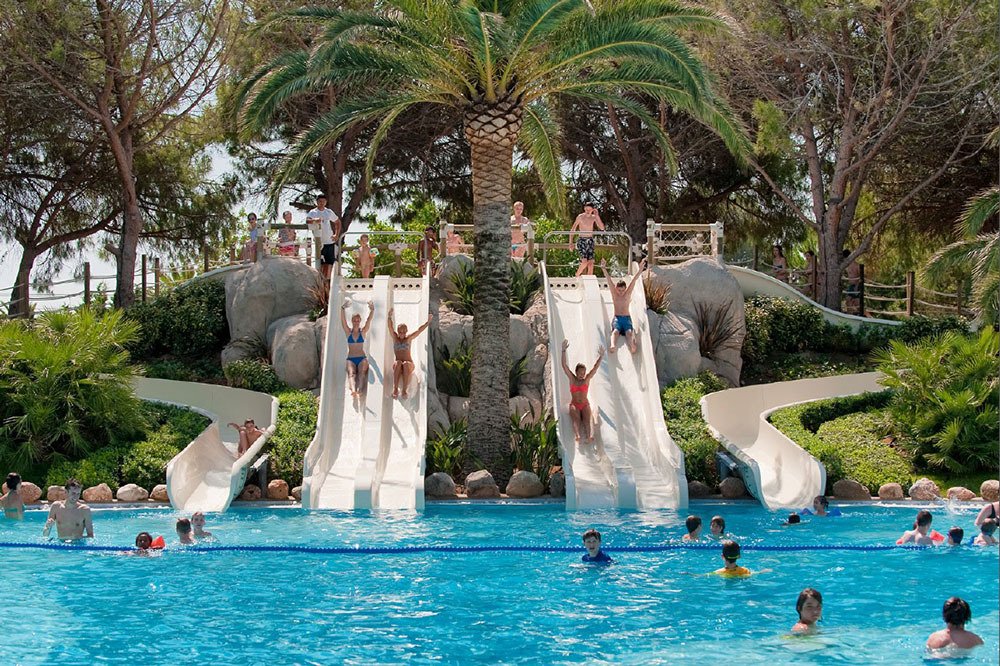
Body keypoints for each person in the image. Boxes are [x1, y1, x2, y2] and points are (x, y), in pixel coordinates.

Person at [560, 340, 604, 443]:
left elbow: (594, 369)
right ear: (576, 372)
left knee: (587, 420)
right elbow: (564, 366)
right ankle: (578, 435)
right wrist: (563, 351)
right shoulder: (572, 379)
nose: (582, 375)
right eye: (580, 373)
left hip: (584, 404)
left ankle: (589, 436)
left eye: (583, 373)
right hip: (574, 404)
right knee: (576, 420)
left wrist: (601, 356)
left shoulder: (586, 380)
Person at [601, 258, 646, 354]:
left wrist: (640, 270)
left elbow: (633, 281)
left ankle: (632, 346)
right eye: (619, 290)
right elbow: (609, 281)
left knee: (629, 333)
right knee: (615, 332)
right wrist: (604, 268)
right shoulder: (614, 294)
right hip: (617, 318)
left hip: (626, 318)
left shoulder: (627, 294)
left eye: (623, 290)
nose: (621, 292)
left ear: (625, 289)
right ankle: (613, 345)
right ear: (616, 289)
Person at [387, 308, 432, 399]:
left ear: (406, 331)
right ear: (398, 332)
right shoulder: (395, 338)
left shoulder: (409, 339)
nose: (402, 333)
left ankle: (404, 389)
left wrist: (428, 322)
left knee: (406, 364)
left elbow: (419, 330)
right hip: (398, 366)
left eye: (404, 331)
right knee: (398, 362)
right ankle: (395, 388)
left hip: (409, 365)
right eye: (400, 332)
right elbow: (390, 328)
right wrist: (389, 317)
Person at [342, 299, 375, 398]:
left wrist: (372, 310)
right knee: (351, 374)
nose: (356, 322)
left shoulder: (363, 332)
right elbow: (343, 321)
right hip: (351, 359)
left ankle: (360, 389)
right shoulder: (348, 332)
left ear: (360, 321)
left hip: (361, 358)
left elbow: (369, 321)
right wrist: (342, 309)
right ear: (351, 321)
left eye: (358, 320)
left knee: (361, 374)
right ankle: (353, 390)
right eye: (354, 320)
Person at [307, 194, 339, 280]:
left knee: (330, 263)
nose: (321, 203)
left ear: (326, 202)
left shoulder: (329, 212)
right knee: (320, 263)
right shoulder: (313, 212)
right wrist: (315, 220)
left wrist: (336, 234)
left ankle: (329, 280)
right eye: (320, 201)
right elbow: (307, 220)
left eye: (323, 201)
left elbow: (337, 222)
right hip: (319, 243)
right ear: (317, 202)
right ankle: (321, 280)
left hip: (329, 241)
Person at [569, 204, 605, 277]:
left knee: (591, 263)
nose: (587, 211)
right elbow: (573, 229)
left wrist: (597, 216)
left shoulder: (593, 217)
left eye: (589, 210)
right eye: (586, 210)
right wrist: (570, 242)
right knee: (584, 262)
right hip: (582, 240)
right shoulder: (580, 217)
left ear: (592, 210)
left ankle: (589, 281)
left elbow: (602, 228)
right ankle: (576, 276)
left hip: (590, 240)